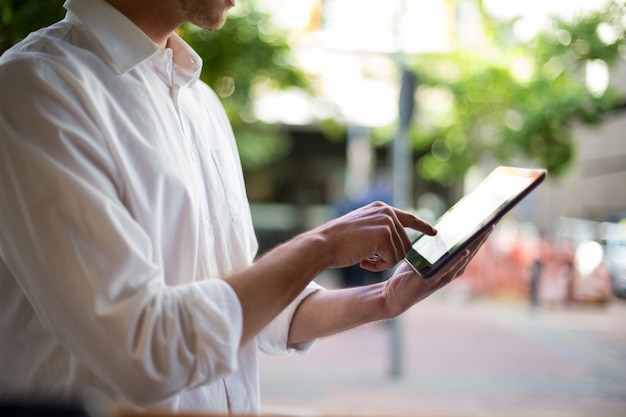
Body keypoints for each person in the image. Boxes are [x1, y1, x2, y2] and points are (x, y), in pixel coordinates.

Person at [0, 0, 490, 414]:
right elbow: (142, 349)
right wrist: (320, 246)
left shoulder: (201, 103)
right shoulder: (36, 89)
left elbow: (240, 304)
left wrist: (384, 300)